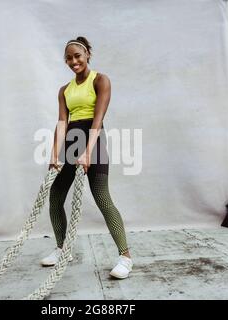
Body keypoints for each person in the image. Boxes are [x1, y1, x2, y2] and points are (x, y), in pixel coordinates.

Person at [40, 36, 133, 279]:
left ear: (87, 54)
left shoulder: (100, 80)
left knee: (102, 198)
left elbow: (98, 118)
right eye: (68, 58)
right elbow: (62, 123)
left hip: (94, 141)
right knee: (55, 197)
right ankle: (62, 249)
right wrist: (53, 155)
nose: (73, 61)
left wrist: (88, 151)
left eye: (77, 56)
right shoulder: (64, 90)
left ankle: (125, 257)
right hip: (71, 143)